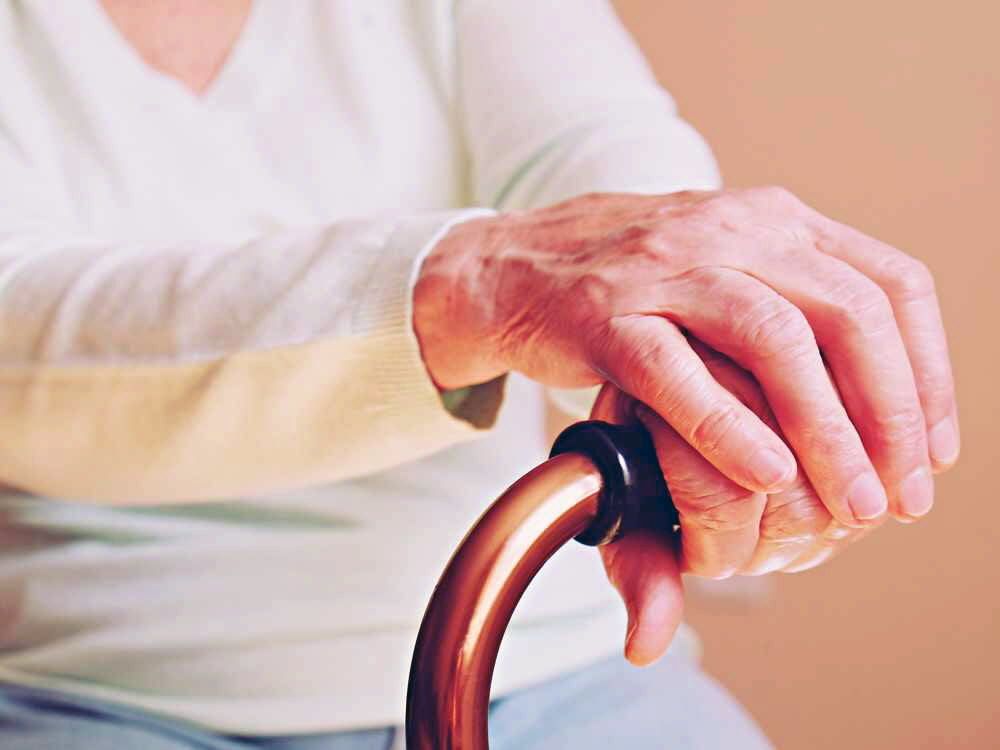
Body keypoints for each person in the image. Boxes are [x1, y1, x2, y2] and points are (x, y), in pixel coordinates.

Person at [0, 1, 959, 748]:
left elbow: (612, 167)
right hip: (101, 689)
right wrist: (479, 285)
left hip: (547, 663)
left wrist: (704, 351)